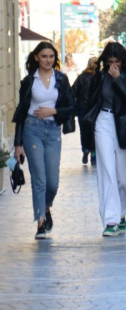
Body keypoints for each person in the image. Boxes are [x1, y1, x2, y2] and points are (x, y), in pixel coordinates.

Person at [12, 42, 76, 240]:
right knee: (39, 179)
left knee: (53, 182)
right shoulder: (29, 81)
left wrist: (54, 111)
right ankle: (40, 221)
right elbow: (21, 112)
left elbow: (73, 107)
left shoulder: (61, 79)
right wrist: (17, 144)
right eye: (44, 56)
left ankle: (46, 207)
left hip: (53, 131)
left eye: (51, 56)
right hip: (32, 129)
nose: (48, 60)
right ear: (36, 58)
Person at [85, 42, 126, 237]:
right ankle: (110, 219)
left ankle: (122, 213)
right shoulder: (100, 76)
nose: (113, 65)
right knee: (107, 171)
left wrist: (118, 80)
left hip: (125, 124)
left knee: (124, 178)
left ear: (123, 60)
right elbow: (91, 101)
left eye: (116, 61)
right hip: (103, 121)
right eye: (109, 62)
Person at [72, 56, 98, 165]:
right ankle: (94, 154)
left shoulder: (82, 77)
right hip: (96, 109)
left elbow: (73, 91)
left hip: (82, 109)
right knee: (96, 131)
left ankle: (85, 149)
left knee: (84, 131)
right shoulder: (99, 77)